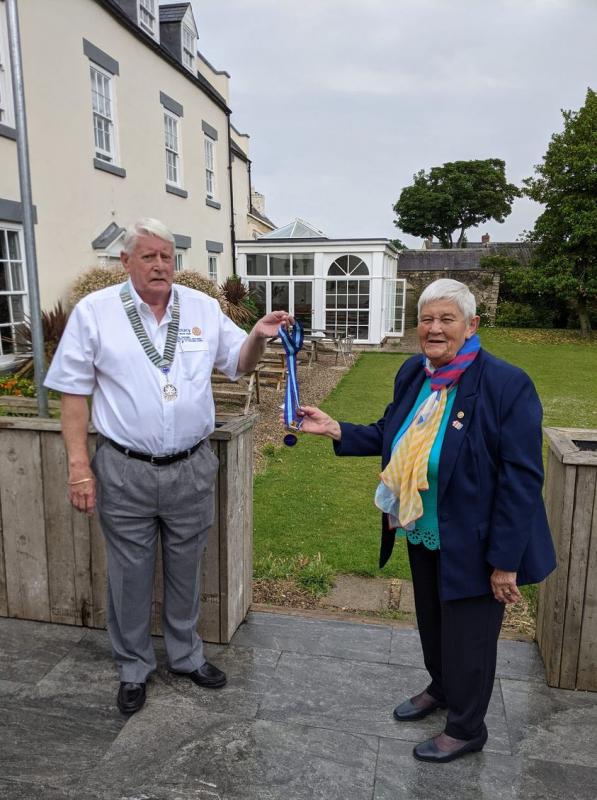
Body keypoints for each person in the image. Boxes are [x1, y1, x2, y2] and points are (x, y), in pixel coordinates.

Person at [296, 278, 556, 764]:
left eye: (447, 319)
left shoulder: (505, 385)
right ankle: (441, 687)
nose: (434, 330)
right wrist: (335, 428)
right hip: (424, 525)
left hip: (478, 540)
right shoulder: (415, 374)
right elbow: (391, 432)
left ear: (472, 325)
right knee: (433, 621)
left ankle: (466, 726)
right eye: (427, 319)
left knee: (471, 636)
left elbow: (521, 480)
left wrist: (504, 562)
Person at [45, 218, 291, 715]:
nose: (160, 265)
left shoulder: (201, 307)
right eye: (149, 256)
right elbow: (73, 394)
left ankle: (186, 656)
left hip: (190, 468)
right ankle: (133, 667)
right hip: (123, 468)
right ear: (126, 262)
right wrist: (78, 468)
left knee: (185, 570)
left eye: (167, 257)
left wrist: (260, 336)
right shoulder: (96, 312)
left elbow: (238, 362)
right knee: (130, 575)